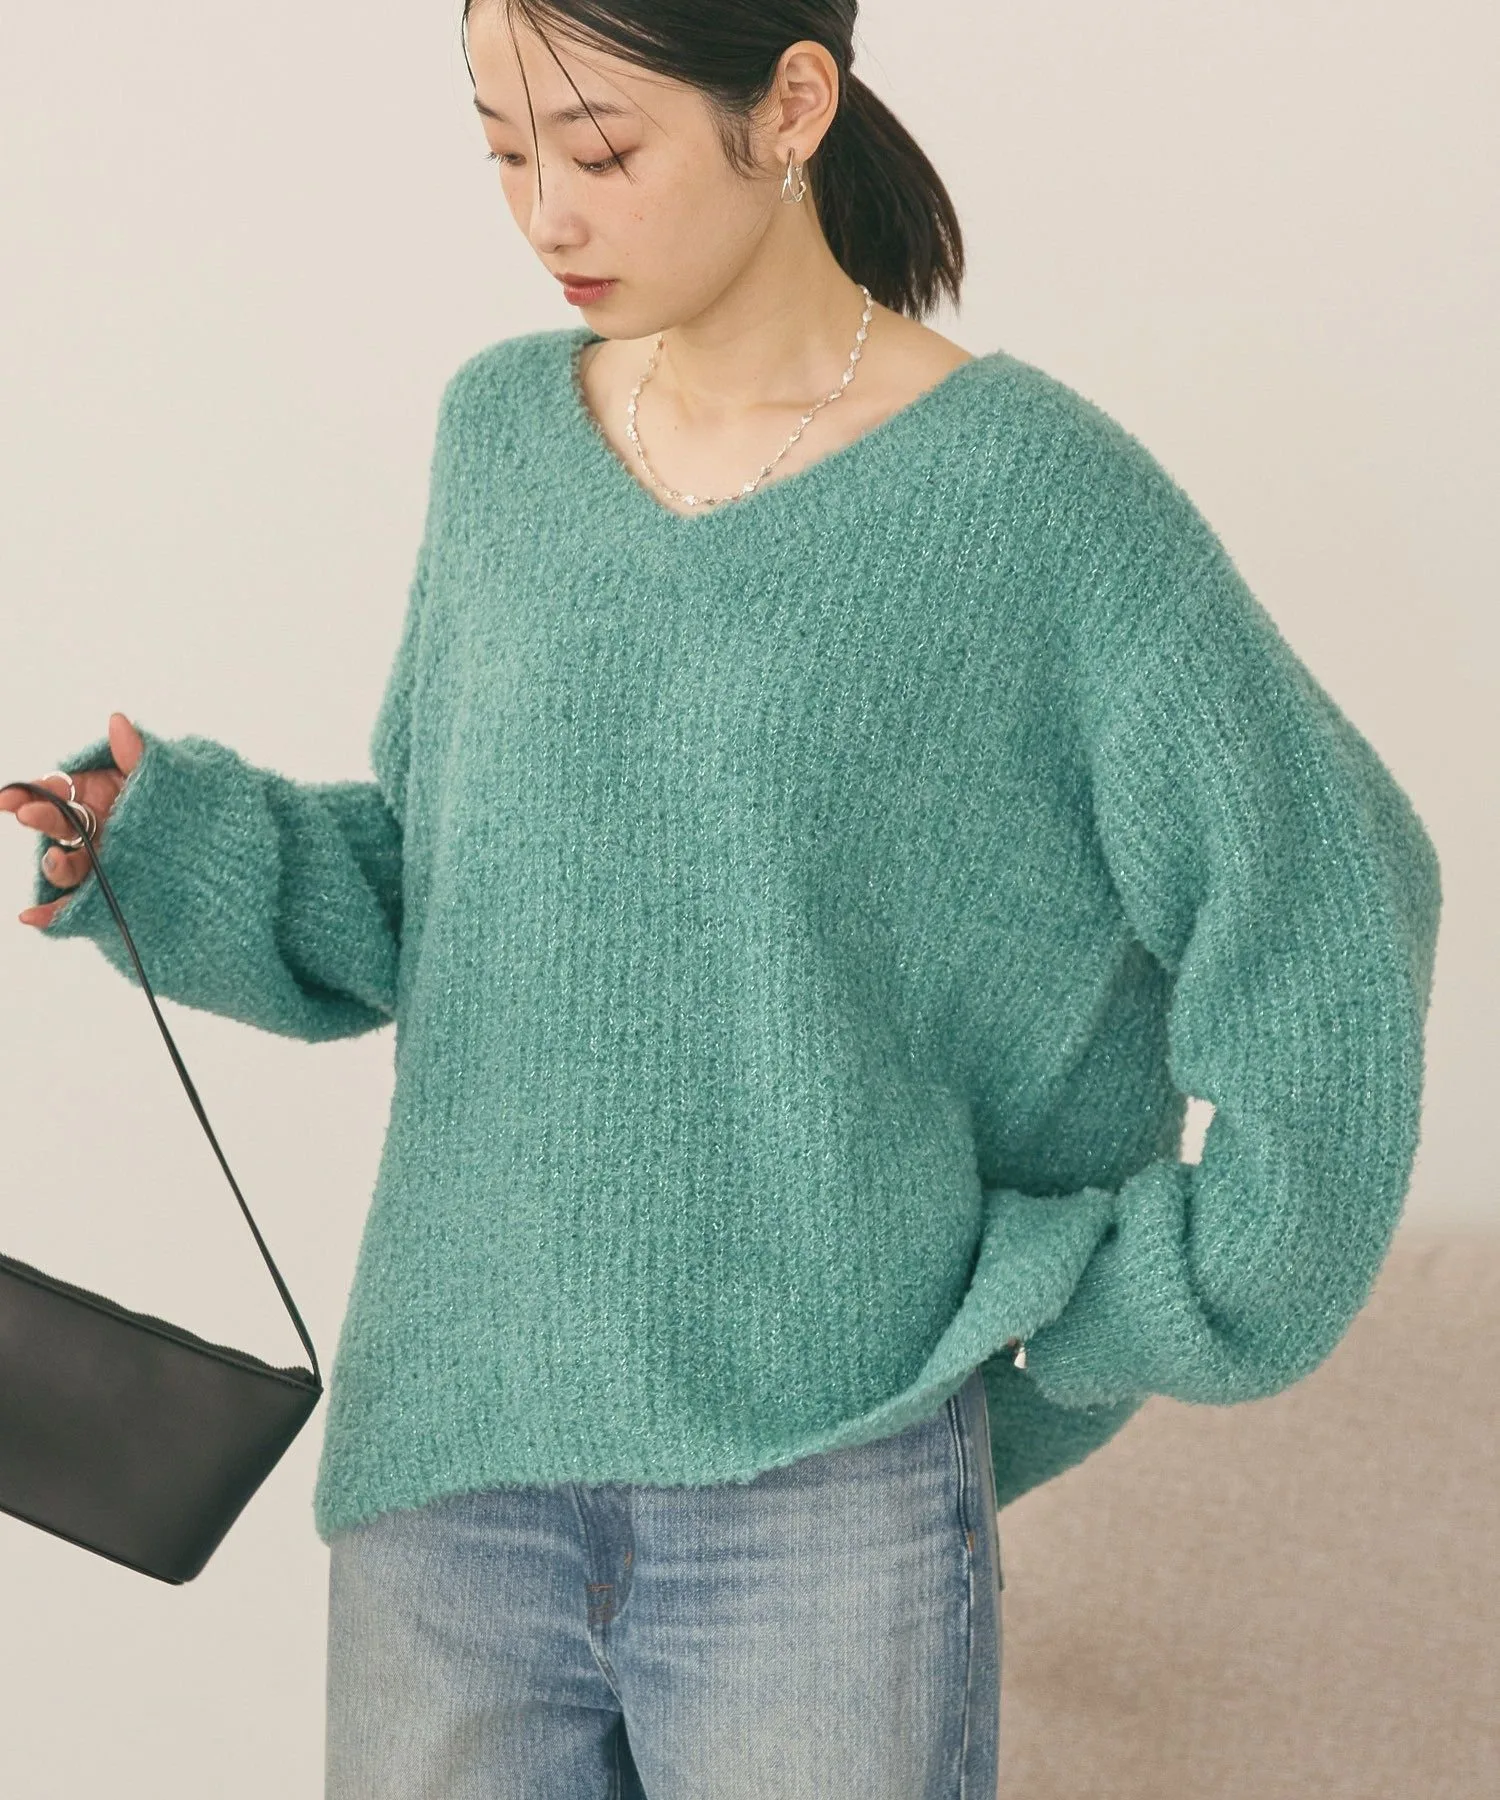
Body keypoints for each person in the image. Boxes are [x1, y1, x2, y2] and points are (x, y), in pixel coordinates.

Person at [1, 3, 1442, 1797]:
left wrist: (1167, 1299)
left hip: (822, 1497)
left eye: (602, 149)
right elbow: (461, 892)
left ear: (794, 103)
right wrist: (173, 848)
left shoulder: (1038, 502)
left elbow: (1330, 902)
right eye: (502, 150)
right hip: (452, 1470)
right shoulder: (502, 438)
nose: (546, 212)